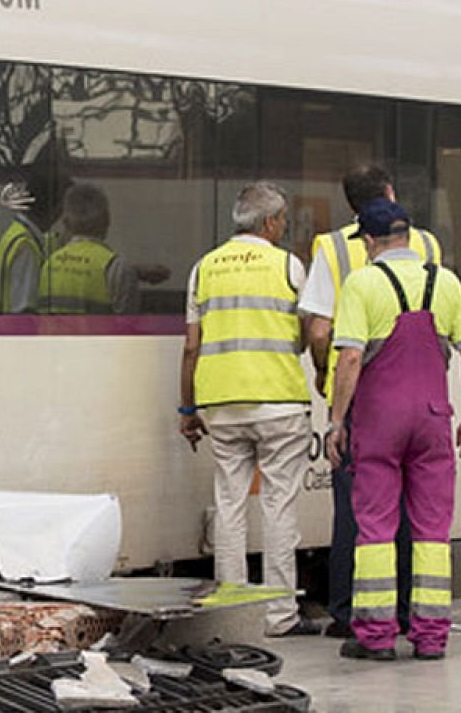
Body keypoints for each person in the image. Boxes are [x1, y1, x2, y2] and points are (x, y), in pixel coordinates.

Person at [324, 198, 461, 661]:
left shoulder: (363, 283)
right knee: (432, 527)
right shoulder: (446, 281)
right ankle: (431, 635)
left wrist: (336, 421)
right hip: (434, 418)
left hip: (379, 422)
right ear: (409, 238)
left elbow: (351, 358)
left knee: (375, 525)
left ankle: (376, 636)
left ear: (371, 242)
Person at [300, 164, 443, 638]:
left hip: (364, 397)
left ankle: (350, 612)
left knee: (359, 509)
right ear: (391, 194)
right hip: (424, 396)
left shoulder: (334, 247)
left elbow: (321, 331)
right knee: (414, 508)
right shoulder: (429, 246)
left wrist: (327, 375)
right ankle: (408, 612)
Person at [178, 182, 320, 637]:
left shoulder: (204, 268)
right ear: (273, 222)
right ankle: (279, 617)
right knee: (279, 509)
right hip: (278, 401)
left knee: (230, 505)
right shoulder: (288, 266)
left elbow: (191, 347)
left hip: (220, 405)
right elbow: (307, 332)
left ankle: (230, 614)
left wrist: (187, 408)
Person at [40, 183, 167, 313]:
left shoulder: (46, 263)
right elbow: (126, 327)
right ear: (107, 219)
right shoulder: (116, 268)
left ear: (66, 222)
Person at [0, 174, 63, 314]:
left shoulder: (16, 234)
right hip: (12, 331)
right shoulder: (25, 246)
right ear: (54, 210)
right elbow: (23, 308)